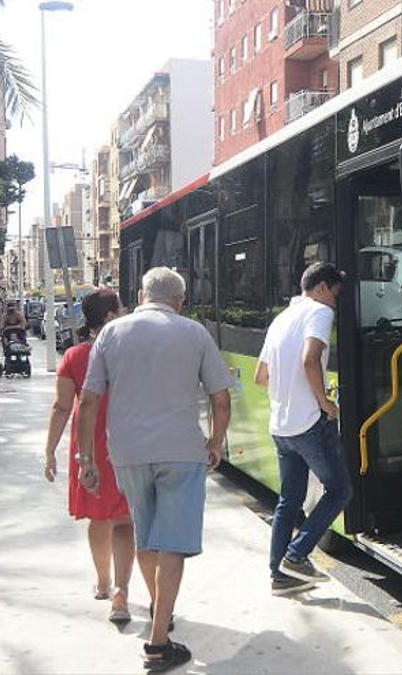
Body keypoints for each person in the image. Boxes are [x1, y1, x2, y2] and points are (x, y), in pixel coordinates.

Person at [77, 267, 233, 671]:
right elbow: (220, 398)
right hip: (181, 450)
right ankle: (158, 642)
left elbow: (89, 400)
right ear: (179, 300)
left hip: (127, 453)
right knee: (174, 543)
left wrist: (86, 459)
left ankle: (159, 613)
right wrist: (215, 442)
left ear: (142, 295)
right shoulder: (194, 332)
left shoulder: (111, 333)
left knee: (147, 537)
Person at [255, 262, 352, 596]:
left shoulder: (281, 318)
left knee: (289, 500)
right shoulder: (319, 313)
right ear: (323, 287)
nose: (335, 303)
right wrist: (325, 402)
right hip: (309, 423)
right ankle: (296, 555)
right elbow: (310, 360)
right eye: (335, 295)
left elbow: (261, 376)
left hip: (280, 426)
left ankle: (278, 575)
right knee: (339, 490)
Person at [42, 288, 134, 625]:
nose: (125, 311)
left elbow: (62, 406)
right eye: (121, 308)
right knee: (125, 519)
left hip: (89, 445)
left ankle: (104, 582)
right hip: (126, 441)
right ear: (109, 316)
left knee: (100, 516)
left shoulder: (76, 355)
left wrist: (50, 449)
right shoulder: (130, 352)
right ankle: (121, 590)